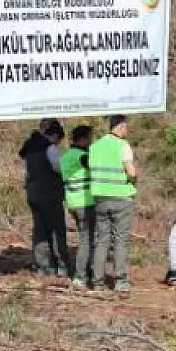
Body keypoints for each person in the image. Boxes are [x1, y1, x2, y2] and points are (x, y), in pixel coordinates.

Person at [88, 115, 138, 293]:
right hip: (121, 198)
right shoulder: (123, 146)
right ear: (121, 126)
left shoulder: (94, 147)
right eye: (127, 126)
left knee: (101, 241)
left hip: (100, 199)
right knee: (120, 241)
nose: (128, 130)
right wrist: (134, 179)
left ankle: (98, 282)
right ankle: (120, 281)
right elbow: (131, 171)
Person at [19, 118, 69, 278]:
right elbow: (58, 168)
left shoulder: (29, 147)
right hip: (50, 194)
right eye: (58, 139)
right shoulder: (50, 148)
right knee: (56, 230)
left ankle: (43, 266)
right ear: (53, 134)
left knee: (40, 230)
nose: (58, 142)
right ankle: (61, 265)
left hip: (33, 194)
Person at [61, 125, 95, 290]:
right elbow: (95, 168)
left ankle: (85, 273)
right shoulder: (81, 156)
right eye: (89, 138)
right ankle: (81, 276)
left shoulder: (66, 155)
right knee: (86, 240)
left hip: (73, 202)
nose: (91, 141)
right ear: (82, 139)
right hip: (85, 202)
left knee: (85, 238)